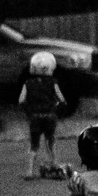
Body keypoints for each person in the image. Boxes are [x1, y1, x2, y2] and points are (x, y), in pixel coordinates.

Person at [18, 50, 67, 180]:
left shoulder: (28, 83)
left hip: (35, 116)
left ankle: (29, 171)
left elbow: (21, 100)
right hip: (49, 116)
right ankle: (55, 164)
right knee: (50, 140)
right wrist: (57, 110)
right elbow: (61, 99)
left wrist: (29, 112)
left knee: (34, 144)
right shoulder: (53, 82)